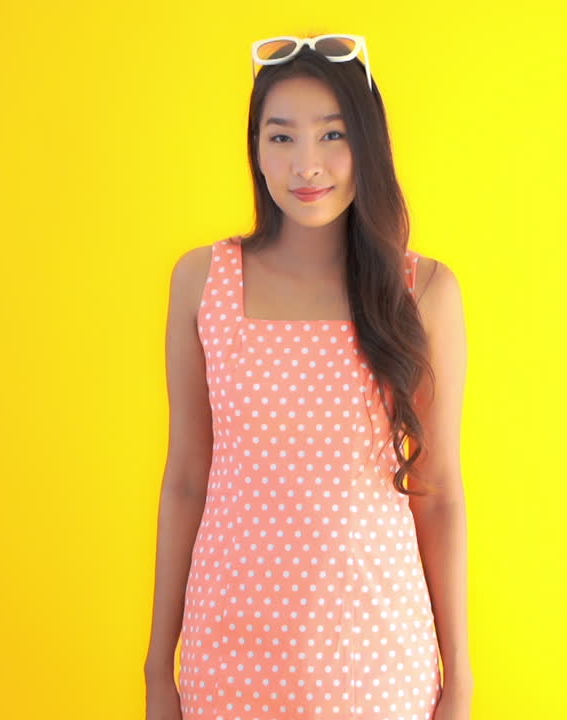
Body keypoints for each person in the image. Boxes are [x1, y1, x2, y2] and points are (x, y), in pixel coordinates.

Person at [143, 34, 472, 720]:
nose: (307, 165)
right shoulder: (203, 283)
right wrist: (156, 672)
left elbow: (438, 496)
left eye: (333, 134)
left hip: (376, 662)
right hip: (228, 657)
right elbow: (185, 480)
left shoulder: (423, 292)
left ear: (369, 145)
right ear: (255, 149)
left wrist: (461, 682)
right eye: (281, 137)